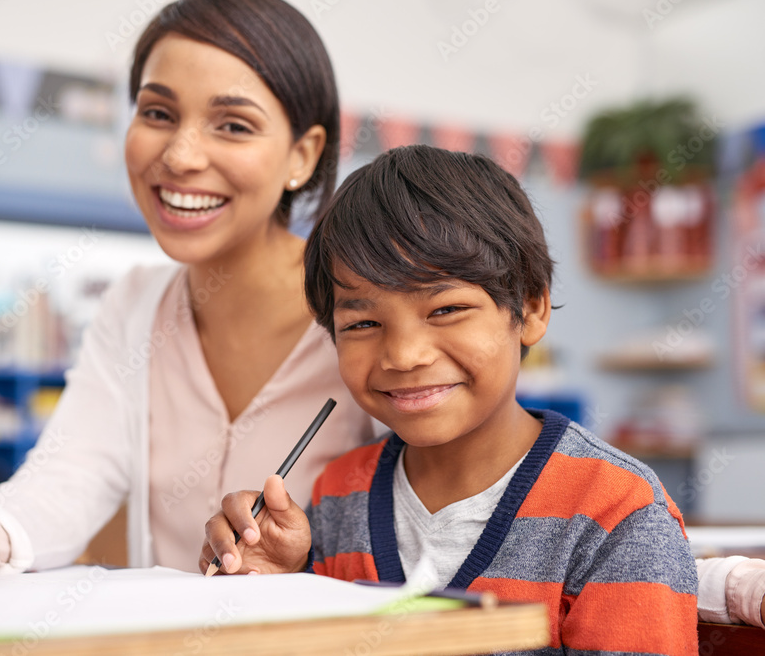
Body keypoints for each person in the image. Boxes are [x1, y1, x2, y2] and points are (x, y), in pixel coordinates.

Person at [0, 0, 374, 587]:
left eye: (233, 125)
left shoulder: (367, 310)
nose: (180, 156)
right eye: (157, 113)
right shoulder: (136, 306)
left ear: (303, 154)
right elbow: (64, 483)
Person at [201, 145, 700, 651]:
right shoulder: (337, 497)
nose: (404, 355)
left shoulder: (618, 513)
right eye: (364, 323)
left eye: (446, 310)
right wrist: (277, 593)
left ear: (529, 310)